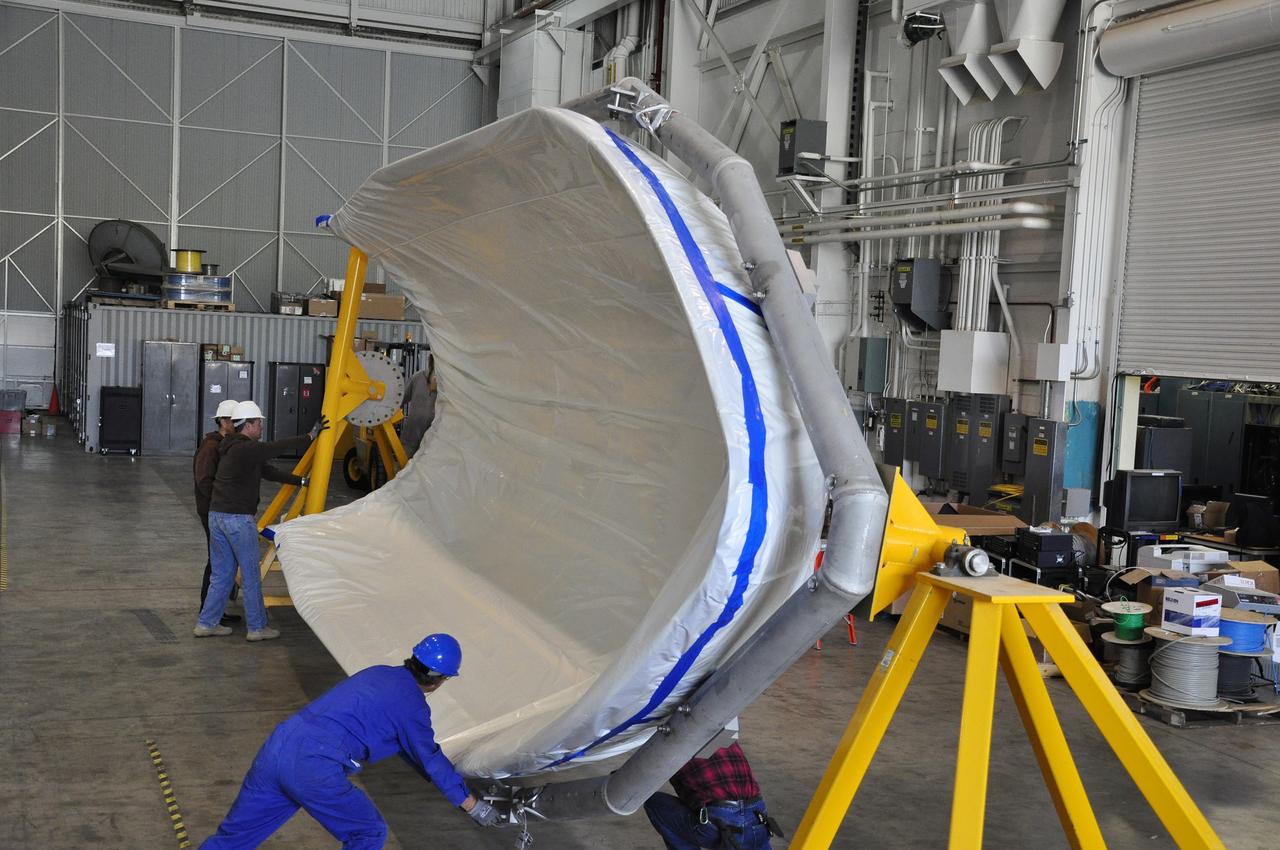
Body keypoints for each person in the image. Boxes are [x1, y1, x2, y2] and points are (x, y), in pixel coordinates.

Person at [199, 633, 501, 849]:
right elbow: (429, 757)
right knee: (368, 833)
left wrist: (444, 777)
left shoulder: (378, 673)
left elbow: (405, 745)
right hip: (313, 766)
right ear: (440, 679)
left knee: (234, 840)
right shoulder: (412, 705)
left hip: (279, 745)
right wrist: (471, 804)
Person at [193, 400, 327, 641]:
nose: (261, 427)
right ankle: (257, 627)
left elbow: (269, 472)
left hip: (217, 517)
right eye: (258, 423)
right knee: (251, 574)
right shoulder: (245, 448)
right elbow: (274, 448)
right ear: (248, 425)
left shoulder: (232, 449)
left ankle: (206, 623)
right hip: (237, 519)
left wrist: (300, 481)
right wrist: (309, 437)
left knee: (222, 574)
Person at [643, 741, 782, 850]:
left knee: (654, 803)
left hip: (722, 826)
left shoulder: (669, 739)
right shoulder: (718, 725)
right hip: (759, 823)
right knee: (751, 838)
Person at [194, 398, 241, 627]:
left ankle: (215, 609)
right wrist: (221, 504)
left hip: (218, 510)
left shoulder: (224, 445)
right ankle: (209, 611)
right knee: (217, 561)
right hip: (213, 511)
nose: (238, 425)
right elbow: (204, 480)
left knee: (221, 560)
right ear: (223, 421)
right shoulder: (211, 447)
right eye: (235, 421)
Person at [400, 360, 437, 457]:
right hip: (411, 435)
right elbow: (399, 399)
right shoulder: (418, 377)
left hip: (433, 438)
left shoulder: (447, 385)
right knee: (404, 462)